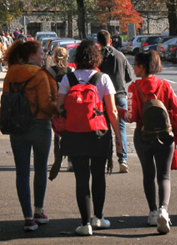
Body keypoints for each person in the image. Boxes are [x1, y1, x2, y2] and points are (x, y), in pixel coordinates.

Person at [56, 40, 123, 236]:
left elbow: (60, 106)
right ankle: (99, 218)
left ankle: (85, 223)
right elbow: (111, 111)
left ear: (77, 58)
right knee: (99, 176)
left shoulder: (68, 79)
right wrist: (118, 136)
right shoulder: (103, 78)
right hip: (99, 134)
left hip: (75, 133)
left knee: (81, 178)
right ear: (96, 57)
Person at [126, 50, 177, 234]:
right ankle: (164, 209)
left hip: (143, 135)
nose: (133, 68)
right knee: (164, 176)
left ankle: (153, 212)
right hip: (165, 136)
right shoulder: (165, 85)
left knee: (148, 174)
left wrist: (120, 112)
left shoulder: (133, 88)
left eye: (135, 65)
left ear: (142, 66)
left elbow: (131, 117)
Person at [3, 40, 58, 231]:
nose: (42, 55)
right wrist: (59, 110)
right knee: (40, 169)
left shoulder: (11, 73)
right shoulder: (40, 75)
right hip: (40, 125)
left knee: (22, 172)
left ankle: (27, 217)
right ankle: (39, 210)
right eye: (40, 53)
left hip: (17, 127)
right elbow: (45, 104)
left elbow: (7, 99)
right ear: (31, 55)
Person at [97, 30, 135, 173]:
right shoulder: (120, 56)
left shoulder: (98, 57)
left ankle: (106, 159)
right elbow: (129, 76)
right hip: (119, 95)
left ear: (98, 42)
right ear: (110, 41)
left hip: (102, 97)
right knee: (121, 129)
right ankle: (123, 159)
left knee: (103, 128)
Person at [47, 47, 74, 175]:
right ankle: (70, 161)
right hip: (69, 106)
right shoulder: (71, 71)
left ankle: (58, 159)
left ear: (54, 57)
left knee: (57, 134)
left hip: (56, 105)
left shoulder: (50, 71)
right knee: (69, 133)